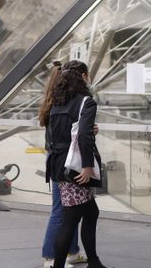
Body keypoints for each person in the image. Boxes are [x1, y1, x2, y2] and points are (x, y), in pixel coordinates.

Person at [45, 61, 111, 268]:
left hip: (59, 165)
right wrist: (87, 166)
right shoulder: (86, 102)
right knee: (70, 219)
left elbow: (62, 133)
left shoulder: (57, 101)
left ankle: (94, 261)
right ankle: (60, 264)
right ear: (83, 76)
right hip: (76, 167)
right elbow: (82, 135)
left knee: (91, 212)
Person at [39, 61, 87, 268]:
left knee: (71, 208)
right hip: (64, 160)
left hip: (57, 157)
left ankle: (73, 251)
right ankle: (50, 256)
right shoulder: (65, 102)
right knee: (61, 209)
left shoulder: (54, 99)